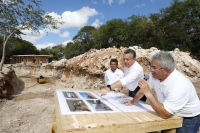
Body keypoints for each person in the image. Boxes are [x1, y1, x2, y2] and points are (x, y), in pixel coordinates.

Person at [122, 51, 200, 133]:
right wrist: (132, 102)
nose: (150, 70)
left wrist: (148, 93)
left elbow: (165, 114)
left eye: (154, 67)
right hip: (170, 111)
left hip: (187, 118)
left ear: (166, 70)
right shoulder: (155, 76)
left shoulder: (179, 85)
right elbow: (143, 90)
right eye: (150, 66)